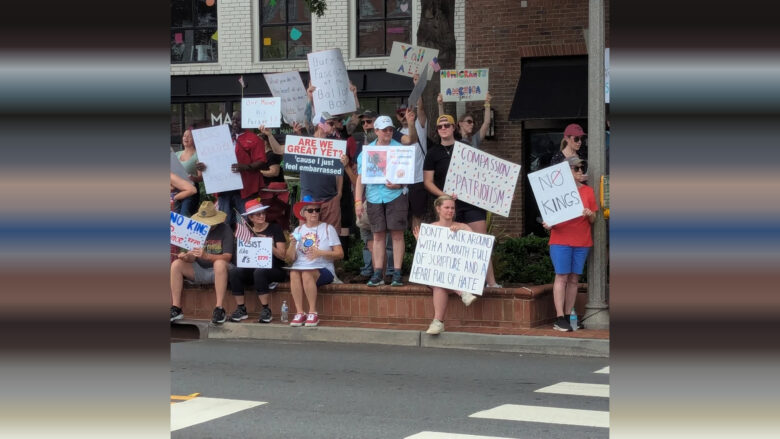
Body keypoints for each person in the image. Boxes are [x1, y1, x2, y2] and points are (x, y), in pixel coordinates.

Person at [423, 114, 502, 288]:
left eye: (447, 125)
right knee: (454, 243)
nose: (443, 129)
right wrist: (444, 196)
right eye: (440, 127)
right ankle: (461, 283)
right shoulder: (433, 153)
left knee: (481, 241)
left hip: (471, 202)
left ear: (454, 127)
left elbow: (482, 174)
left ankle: (491, 282)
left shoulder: (465, 147)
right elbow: (428, 182)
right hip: (448, 205)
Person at [354, 113, 415, 287]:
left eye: (390, 129)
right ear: (376, 130)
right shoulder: (367, 152)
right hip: (374, 197)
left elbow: (407, 175)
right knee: (378, 235)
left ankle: (396, 273)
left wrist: (399, 185)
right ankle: (378, 273)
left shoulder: (400, 149)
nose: (388, 132)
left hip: (395, 196)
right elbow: (360, 178)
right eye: (384, 129)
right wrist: (358, 202)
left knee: (396, 235)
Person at [542, 156, 596, 332]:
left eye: (581, 167)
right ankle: (559, 317)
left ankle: (567, 315)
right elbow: (549, 217)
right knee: (562, 276)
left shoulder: (588, 191)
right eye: (576, 168)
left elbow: (594, 218)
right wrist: (547, 223)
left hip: (582, 240)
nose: (580, 171)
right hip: (561, 240)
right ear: (567, 171)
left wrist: (589, 214)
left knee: (574, 278)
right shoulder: (555, 192)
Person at [412, 195, 478, 335]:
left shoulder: (463, 226)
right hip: (436, 272)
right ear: (438, 209)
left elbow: (474, 248)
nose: (450, 211)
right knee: (438, 279)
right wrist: (421, 242)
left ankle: (438, 323)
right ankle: (461, 292)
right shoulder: (430, 228)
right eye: (446, 207)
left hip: (457, 272)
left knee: (439, 284)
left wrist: (462, 232)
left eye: (452, 208)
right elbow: (426, 257)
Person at [197, 112, 268, 226]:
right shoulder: (223, 138)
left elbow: (261, 161)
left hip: (245, 187)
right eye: (233, 120)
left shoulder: (254, 139)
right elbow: (213, 159)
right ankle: (228, 242)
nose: (235, 123)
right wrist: (204, 166)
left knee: (244, 220)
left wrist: (246, 166)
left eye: (238, 120)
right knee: (225, 219)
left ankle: (244, 243)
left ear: (246, 122)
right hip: (224, 186)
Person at [170, 201, 235, 324]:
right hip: (200, 269)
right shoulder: (197, 229)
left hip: (221, 271)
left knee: (219, 263)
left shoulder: (225, 230)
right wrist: (186, 257)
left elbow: (227, 257)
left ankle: (219, 308)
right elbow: (193, 256)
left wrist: (207, 256)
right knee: (176, 265)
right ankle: (176, 308)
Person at [285, 196, 344, 327]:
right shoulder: (298, 230)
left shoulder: (328, 229)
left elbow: (340, 254)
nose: (315, 213)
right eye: (311, 210)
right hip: (300, 266)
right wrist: (291, 244)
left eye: (317, 210)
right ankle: (300, 312)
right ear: (303, 213)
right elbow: (290, 258)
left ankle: (313, 312)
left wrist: (321, 253)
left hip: (323, 268)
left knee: (306, 273)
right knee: (294, 273)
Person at [228, 199, 288, 323]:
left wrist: (267, 245)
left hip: (274, 268)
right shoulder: (246, 232)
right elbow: (239, 258)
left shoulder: (275, 228)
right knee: (234, 271)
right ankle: (241, 308)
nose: (262, 216)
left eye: (263, 213)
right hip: (252, 268)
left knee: (259, 272)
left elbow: (283, 256)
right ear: (250, 217)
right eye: (258, 214)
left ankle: (266, 309)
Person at [257, 125, 290, 230]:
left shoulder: (271, 155)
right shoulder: (262, 155)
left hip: (274, 194)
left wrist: (258, 172)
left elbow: (274, 172)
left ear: (265, 142)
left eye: (258, 142)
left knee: (272, 216)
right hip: (267, 191)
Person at [174, 128, 203, 216]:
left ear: (195, 139)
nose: (185, 138)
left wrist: (194, 178)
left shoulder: (198, 155)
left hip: (190, 190)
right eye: (184, 136)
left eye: (189, 136)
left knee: (184, 217)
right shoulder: (177, 154)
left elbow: (201, 177)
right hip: (175, 191)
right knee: (175, 218)